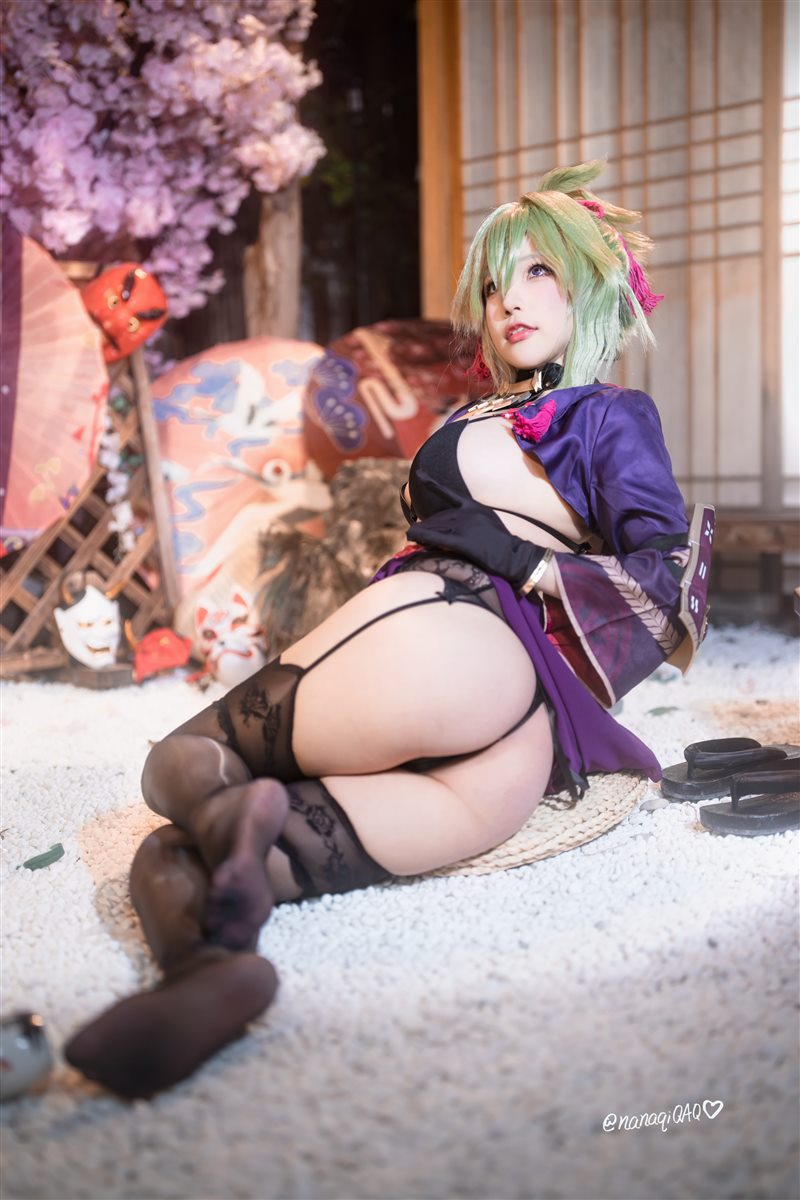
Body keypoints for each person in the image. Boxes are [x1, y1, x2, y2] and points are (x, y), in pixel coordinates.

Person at [65, 161, 713, 1098]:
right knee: (181, 851)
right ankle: (212, 972)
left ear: (592, 286)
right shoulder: (479, 411)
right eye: (493, 285)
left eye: (539, 272)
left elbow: (672, 584)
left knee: (179, 766)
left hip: (459, 641)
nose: (509, 300)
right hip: (505, 756)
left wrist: (523, 558)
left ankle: (233, 825)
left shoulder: (607, 414)